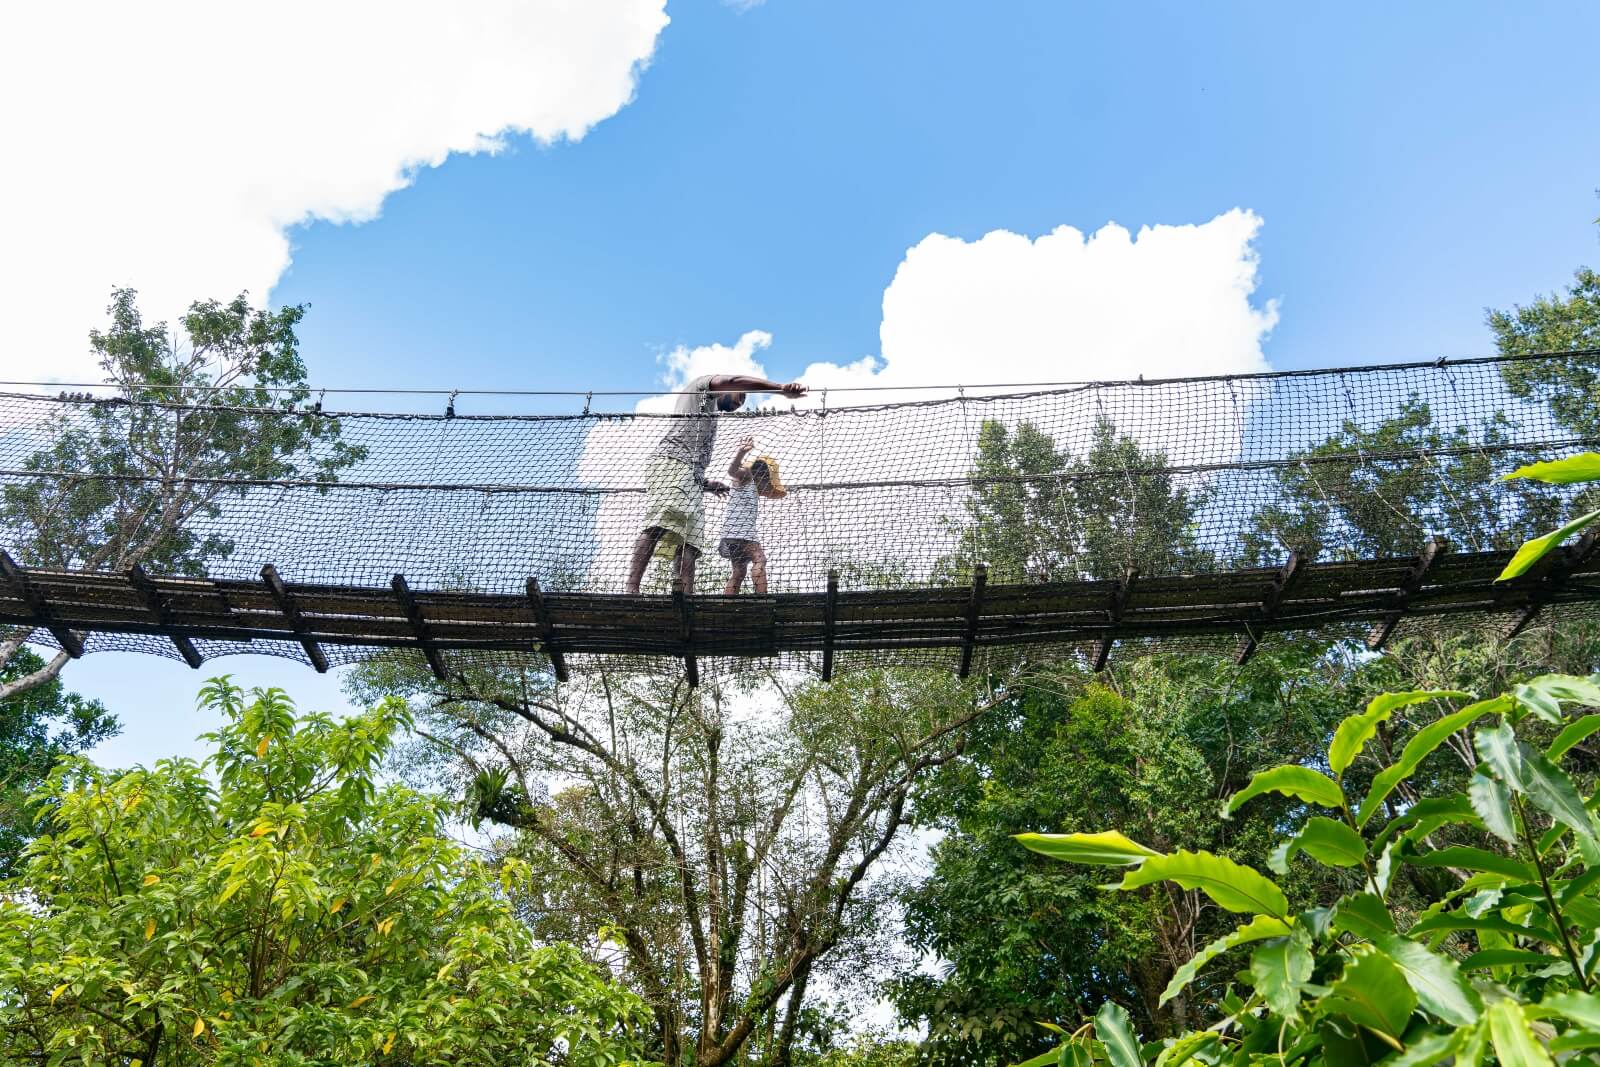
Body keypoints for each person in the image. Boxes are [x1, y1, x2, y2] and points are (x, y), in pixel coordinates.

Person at [625, 374, 806, 594]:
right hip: (671, 462)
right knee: (660, 522)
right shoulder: (702, 388)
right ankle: (632, 588)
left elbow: (695, 458)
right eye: (740, 396)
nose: (740, 403)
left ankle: (686, 597)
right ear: (725, 388)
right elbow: (736, 379)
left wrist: (705, 483)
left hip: (692, 477)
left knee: (691, 542)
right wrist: (779, 389)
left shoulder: (711, 415)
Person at [719, 435, 787, 594]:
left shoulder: (752, 488)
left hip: (730, 532)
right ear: (762, 474)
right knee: (759, 559)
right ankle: (762, 599)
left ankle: (726, 606)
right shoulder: (747, 476)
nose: (768, 487)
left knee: (739, 570)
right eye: (768, 482)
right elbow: (733, 471)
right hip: (742, 530)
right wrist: (741, 453)